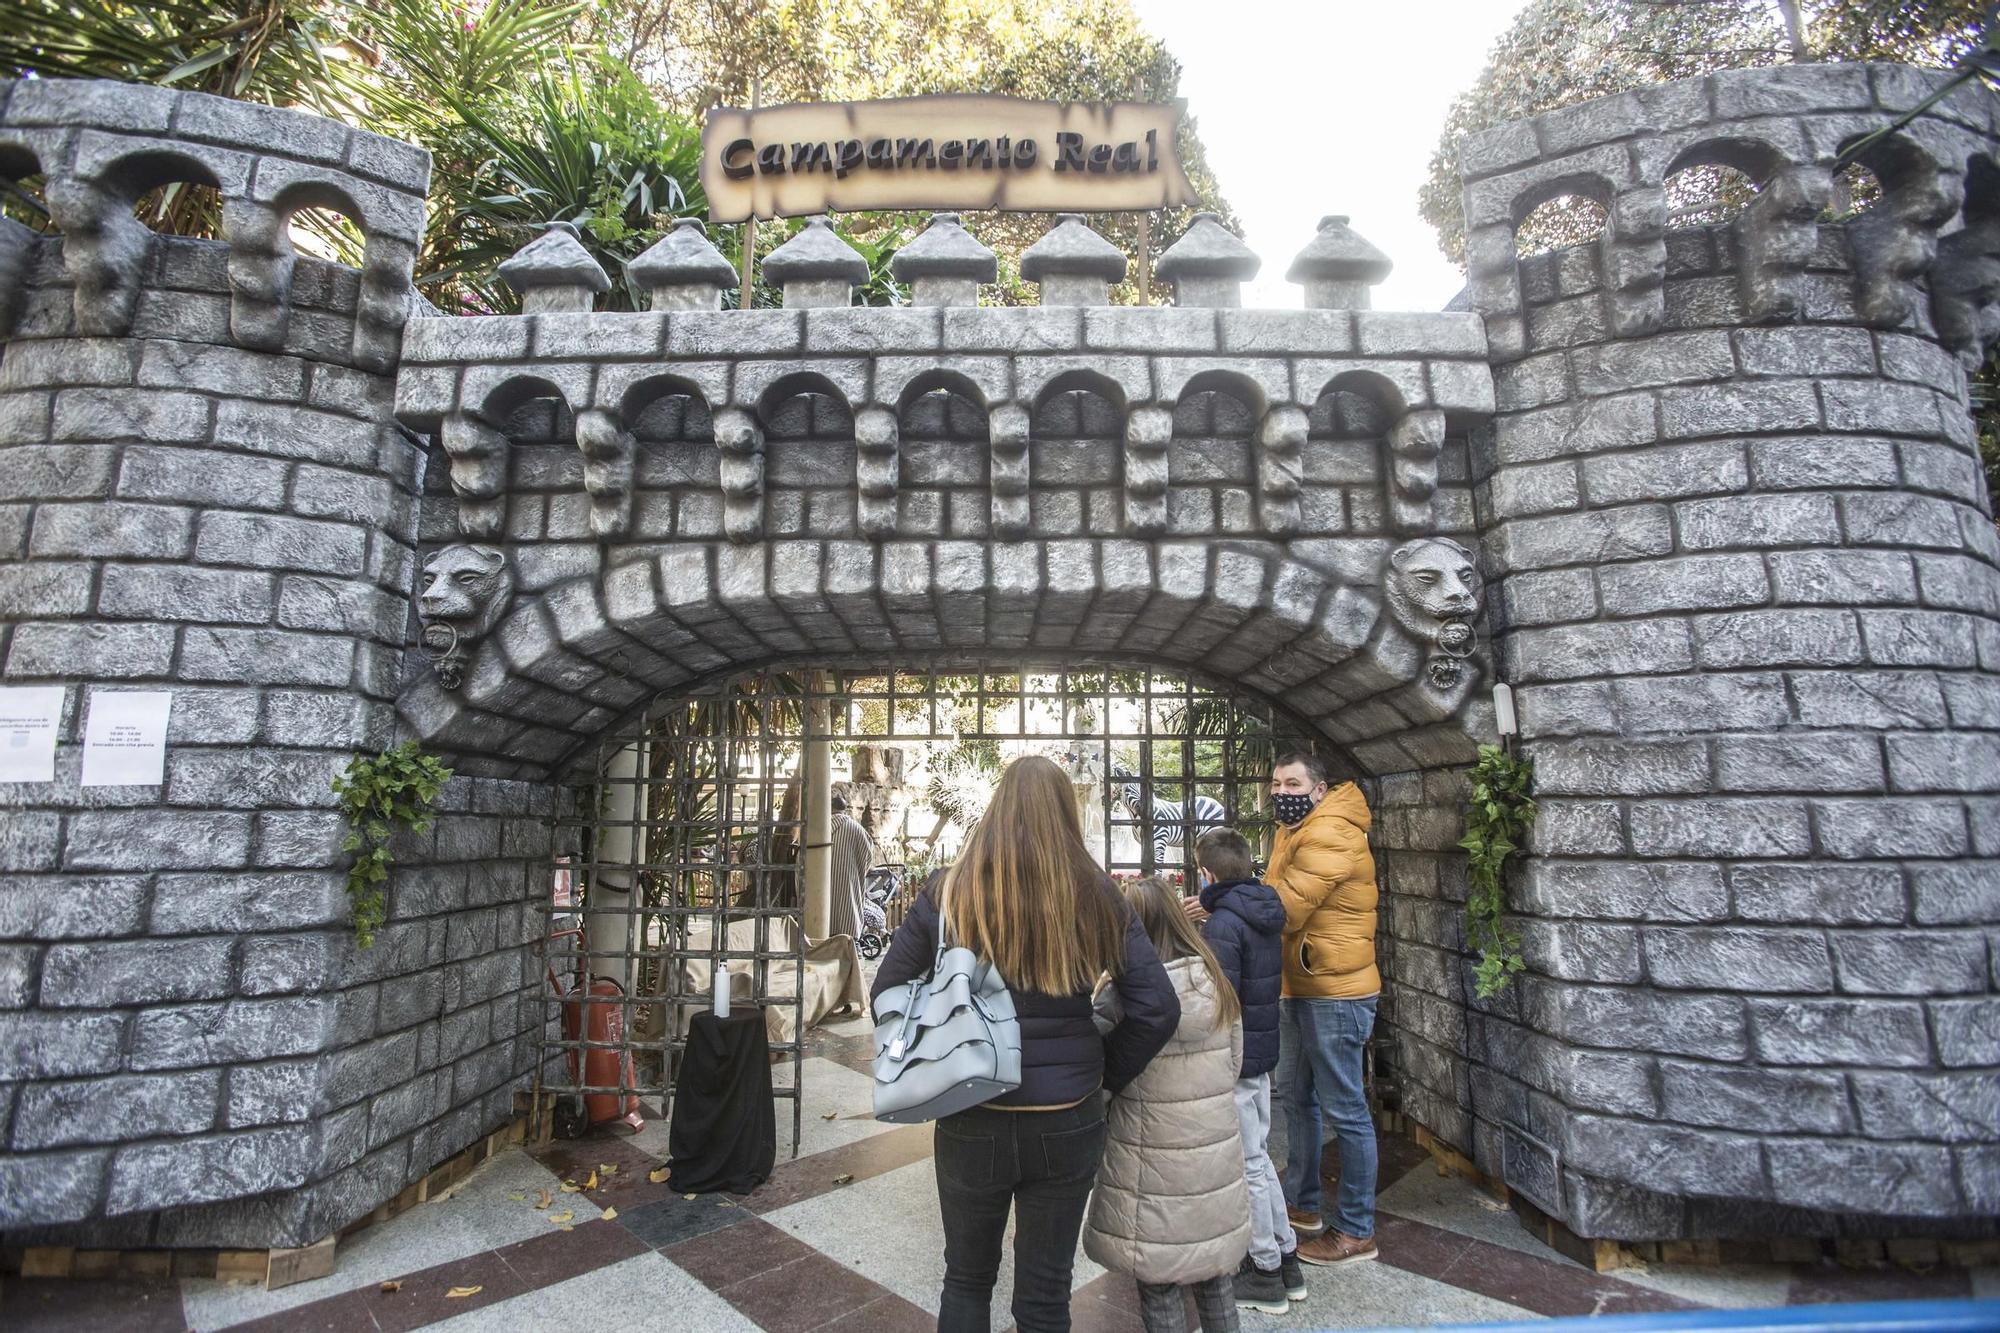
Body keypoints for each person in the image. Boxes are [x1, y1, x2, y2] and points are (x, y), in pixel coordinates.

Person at [871, 755, 1179, 1333]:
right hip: (1067, 1118)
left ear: (996, 807)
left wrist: (933, 1040)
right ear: (1067, 811)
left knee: (965, 1277)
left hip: (971, 1109)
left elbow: (887, 989)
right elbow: (1158, 1007)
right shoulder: (1099, 895)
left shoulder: (950, 891)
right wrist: (1103, 1073)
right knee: (1045, 1294)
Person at [1083, 876, 1249, 1333]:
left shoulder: (1122, 997)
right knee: (1215, 1277)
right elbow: (1235, 1061)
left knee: (1159, 1284)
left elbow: (1098, 1071)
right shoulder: (1214, 980)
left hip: (1148, 1162)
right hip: (1212, 1158)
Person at [1265, 750, 1381, 1266]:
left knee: (1346, 1110)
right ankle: (1303, 1203)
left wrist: (1226, 899)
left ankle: (1356, 1230)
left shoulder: (1332, 830)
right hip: (1303, 984)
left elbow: (1286, 907)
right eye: (1276, 784)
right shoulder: (1295, 830)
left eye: (1292, 784)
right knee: (1296, 1096)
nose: (1281, 793)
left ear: (1318, 789)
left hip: (1337, 991)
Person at [1192, 827, 1304, 1314]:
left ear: (1206, 872)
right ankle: (1286, 1257)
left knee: (1247, 1164)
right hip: (1262, 1054)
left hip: (1236, 1058)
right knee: (1257, 1158)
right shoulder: (1262, 911)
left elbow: (1219, 998)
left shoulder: (1223, 923)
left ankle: (1262, 1271)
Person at [826, 794, 874, 941]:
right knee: (846, 921)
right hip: (848, 888)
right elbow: (867, 858)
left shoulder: (817, 829)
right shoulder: (858, 830)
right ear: (845, 809)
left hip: (819, 890)